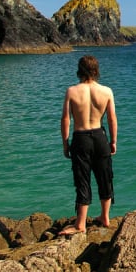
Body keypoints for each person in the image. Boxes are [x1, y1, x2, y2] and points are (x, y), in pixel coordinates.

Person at [58, 55, 118, 235]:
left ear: (80, 70)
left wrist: (65, 143)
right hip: (100, 137)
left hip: (81, 138)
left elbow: (65, 119)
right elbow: (112, 118)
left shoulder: (72, 91)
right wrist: (113, 141)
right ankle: (105, 217)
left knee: (82, 180)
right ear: (96, 70)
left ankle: (80, 224)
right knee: (104, 178)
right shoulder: (107, 91)